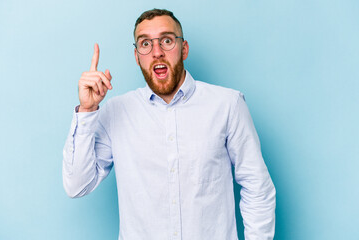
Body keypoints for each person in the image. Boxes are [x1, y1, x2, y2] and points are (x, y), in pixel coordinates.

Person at [63, 8, 276, 240]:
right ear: (137, 57)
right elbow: (77, 186)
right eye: (145, 44)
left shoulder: (227, 105)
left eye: (166, 40)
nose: (157, 52)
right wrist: (87, 110)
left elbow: (257, 188)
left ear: (183, 49)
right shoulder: (116, 112)